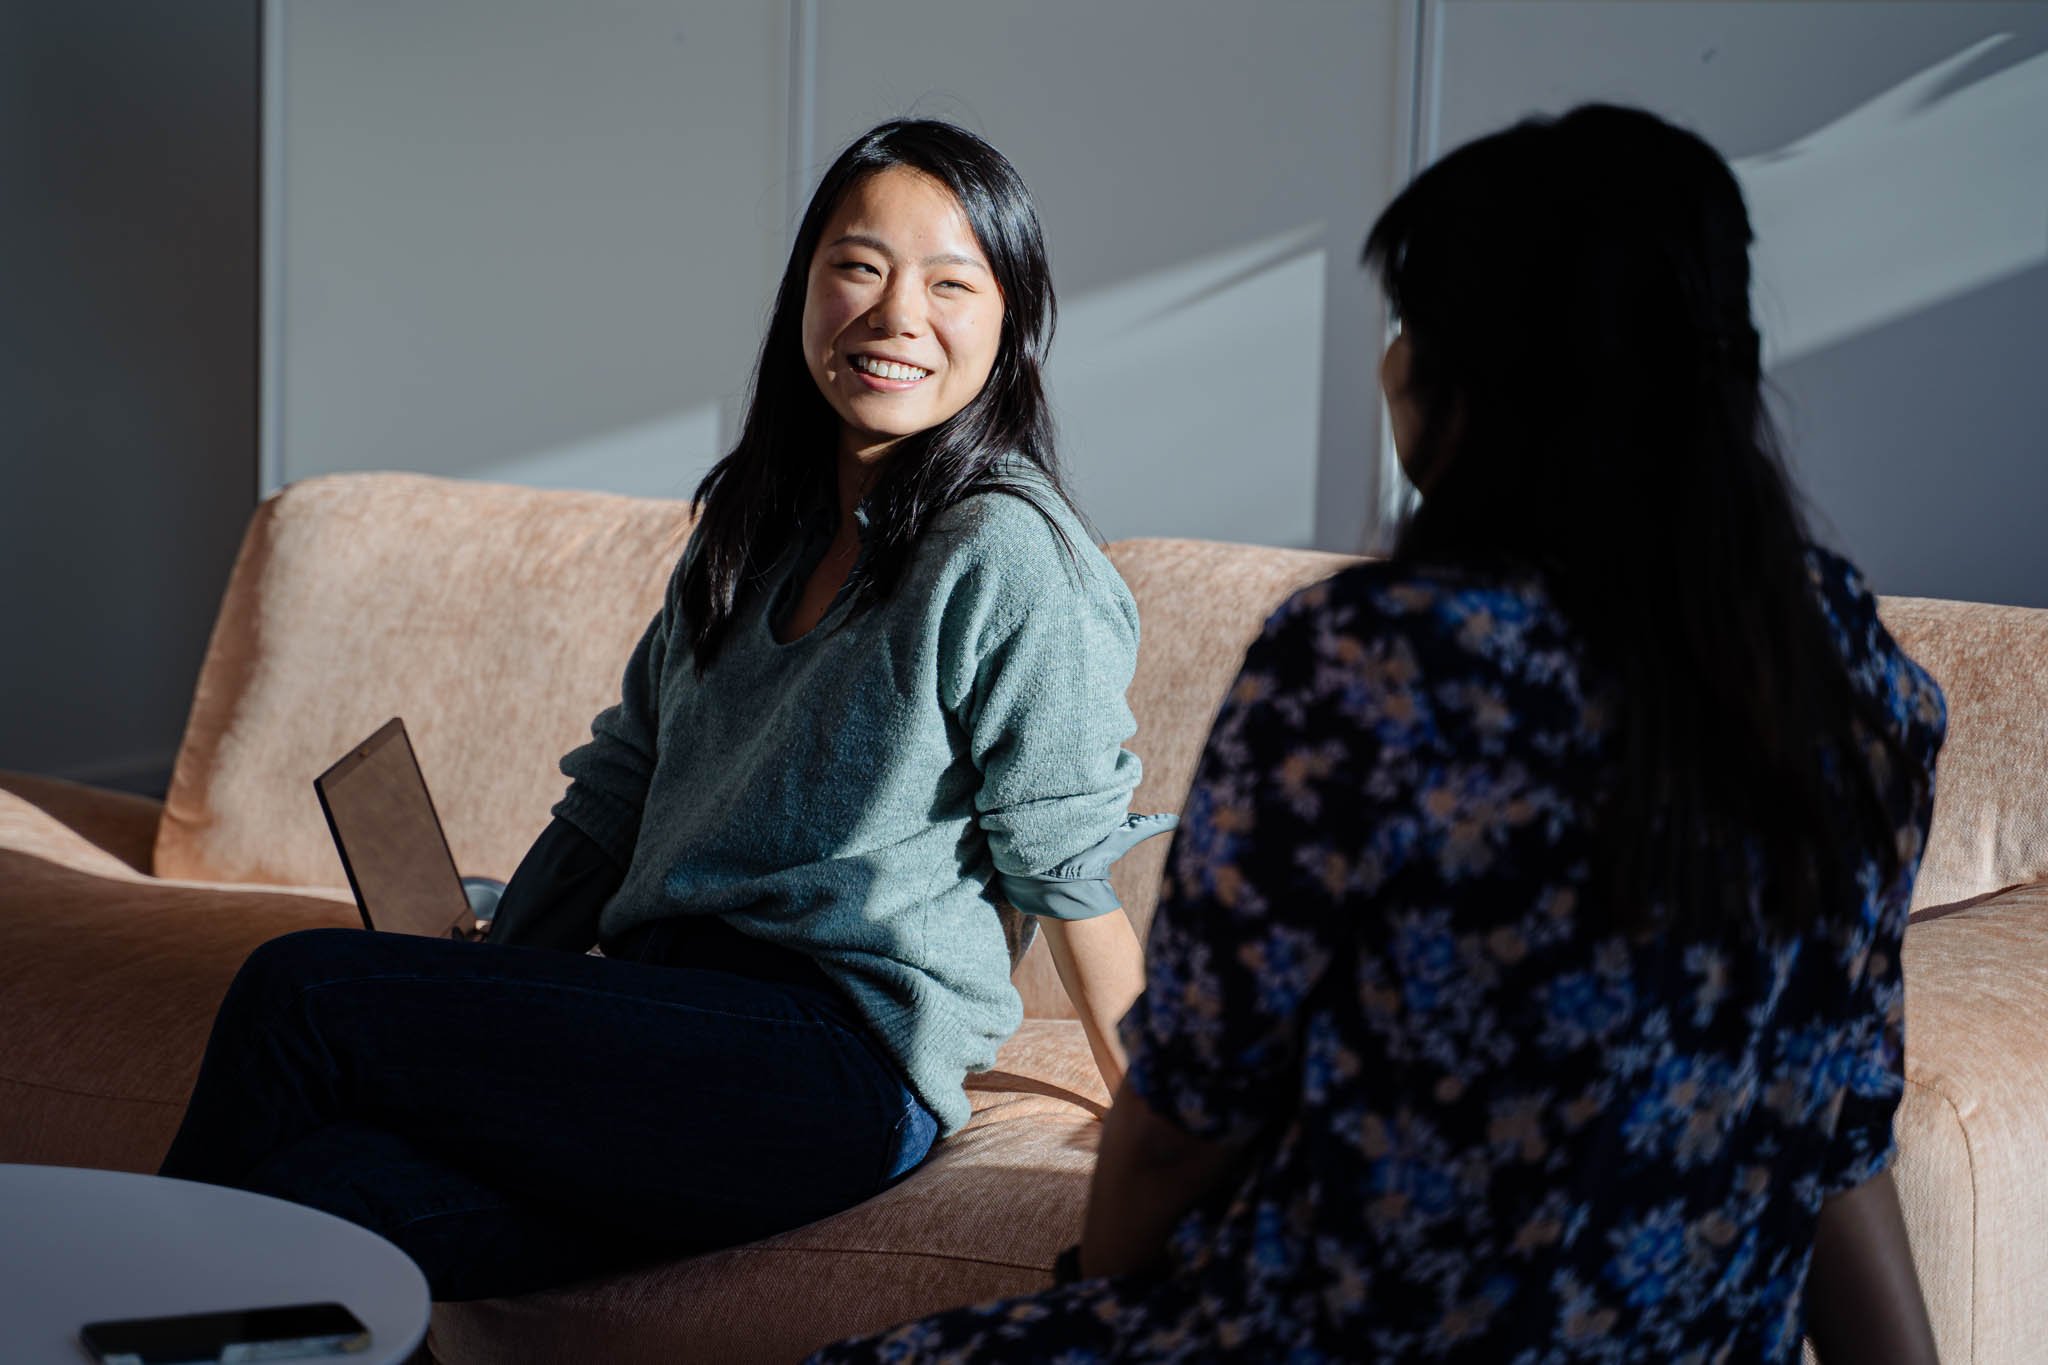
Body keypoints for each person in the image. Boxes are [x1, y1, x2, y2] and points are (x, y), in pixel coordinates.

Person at [811, 105, 1944, 1363]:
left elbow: (1188, 1112)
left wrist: (1107, 1297)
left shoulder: (1366, 670)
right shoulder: (1852, 677)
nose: (1390, 361)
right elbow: (1841, 1129)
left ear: (1472, 379)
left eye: (1412, 324)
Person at [159, 119, 1172, 1301]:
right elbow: (617, 795)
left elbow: (1066, 860)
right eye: (859, 265)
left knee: (305, 990)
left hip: (830, 1062)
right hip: (661, 1024)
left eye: (954, 283)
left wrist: (1165, 1132)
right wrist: (499, 972)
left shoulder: (1005, 549)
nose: (899, 314)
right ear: (804, 290)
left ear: (1010, 326)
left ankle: (93, 1303)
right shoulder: (751, 531)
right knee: (325, 1207)